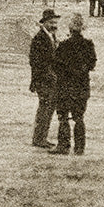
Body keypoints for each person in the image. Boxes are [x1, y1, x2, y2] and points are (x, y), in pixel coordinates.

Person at [51, 14, 97, 155]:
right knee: (79, 117)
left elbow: (55, 65)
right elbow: (92, 63)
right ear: (82, 28)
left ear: (70, 29)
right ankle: (79, 147)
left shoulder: (64, 45)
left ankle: (64, 146)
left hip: (65, 86)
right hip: (81, 86)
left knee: (63, 116)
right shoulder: (88, 45)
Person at [29, 8, 61, 149]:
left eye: (55, 23)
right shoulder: (40, 38)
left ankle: (41, 137)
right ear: (45, 23)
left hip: (50, 80)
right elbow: (37, 62)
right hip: (43, 80)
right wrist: (48, 75)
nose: (54, 26)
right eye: (51, 23)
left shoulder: (51, 36)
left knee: (47, 109)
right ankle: (39, 138)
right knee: (45, 109)